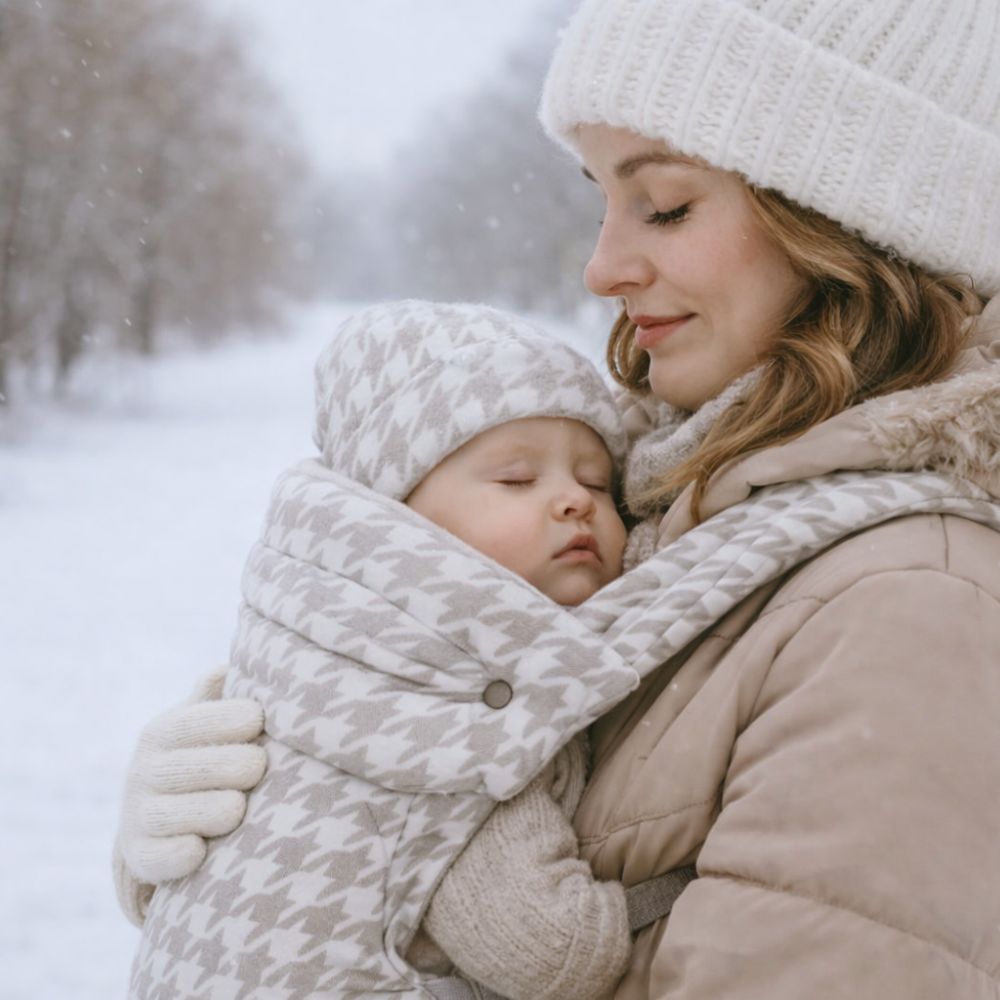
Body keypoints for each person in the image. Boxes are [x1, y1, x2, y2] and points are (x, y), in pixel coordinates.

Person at [116, 0, 1000, 996]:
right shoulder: (675, 501)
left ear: (850, 225)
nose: (600, 269)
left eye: (663, 205)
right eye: (601, 202)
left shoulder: (908, 603)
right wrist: (278, 836)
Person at [125, 300, 638, 1000]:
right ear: (395, 523)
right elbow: (555, 955)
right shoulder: (453, 720)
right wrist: (668, 894)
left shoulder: (326, 658)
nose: (575, 500)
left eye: (597, 482)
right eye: (518, 478)